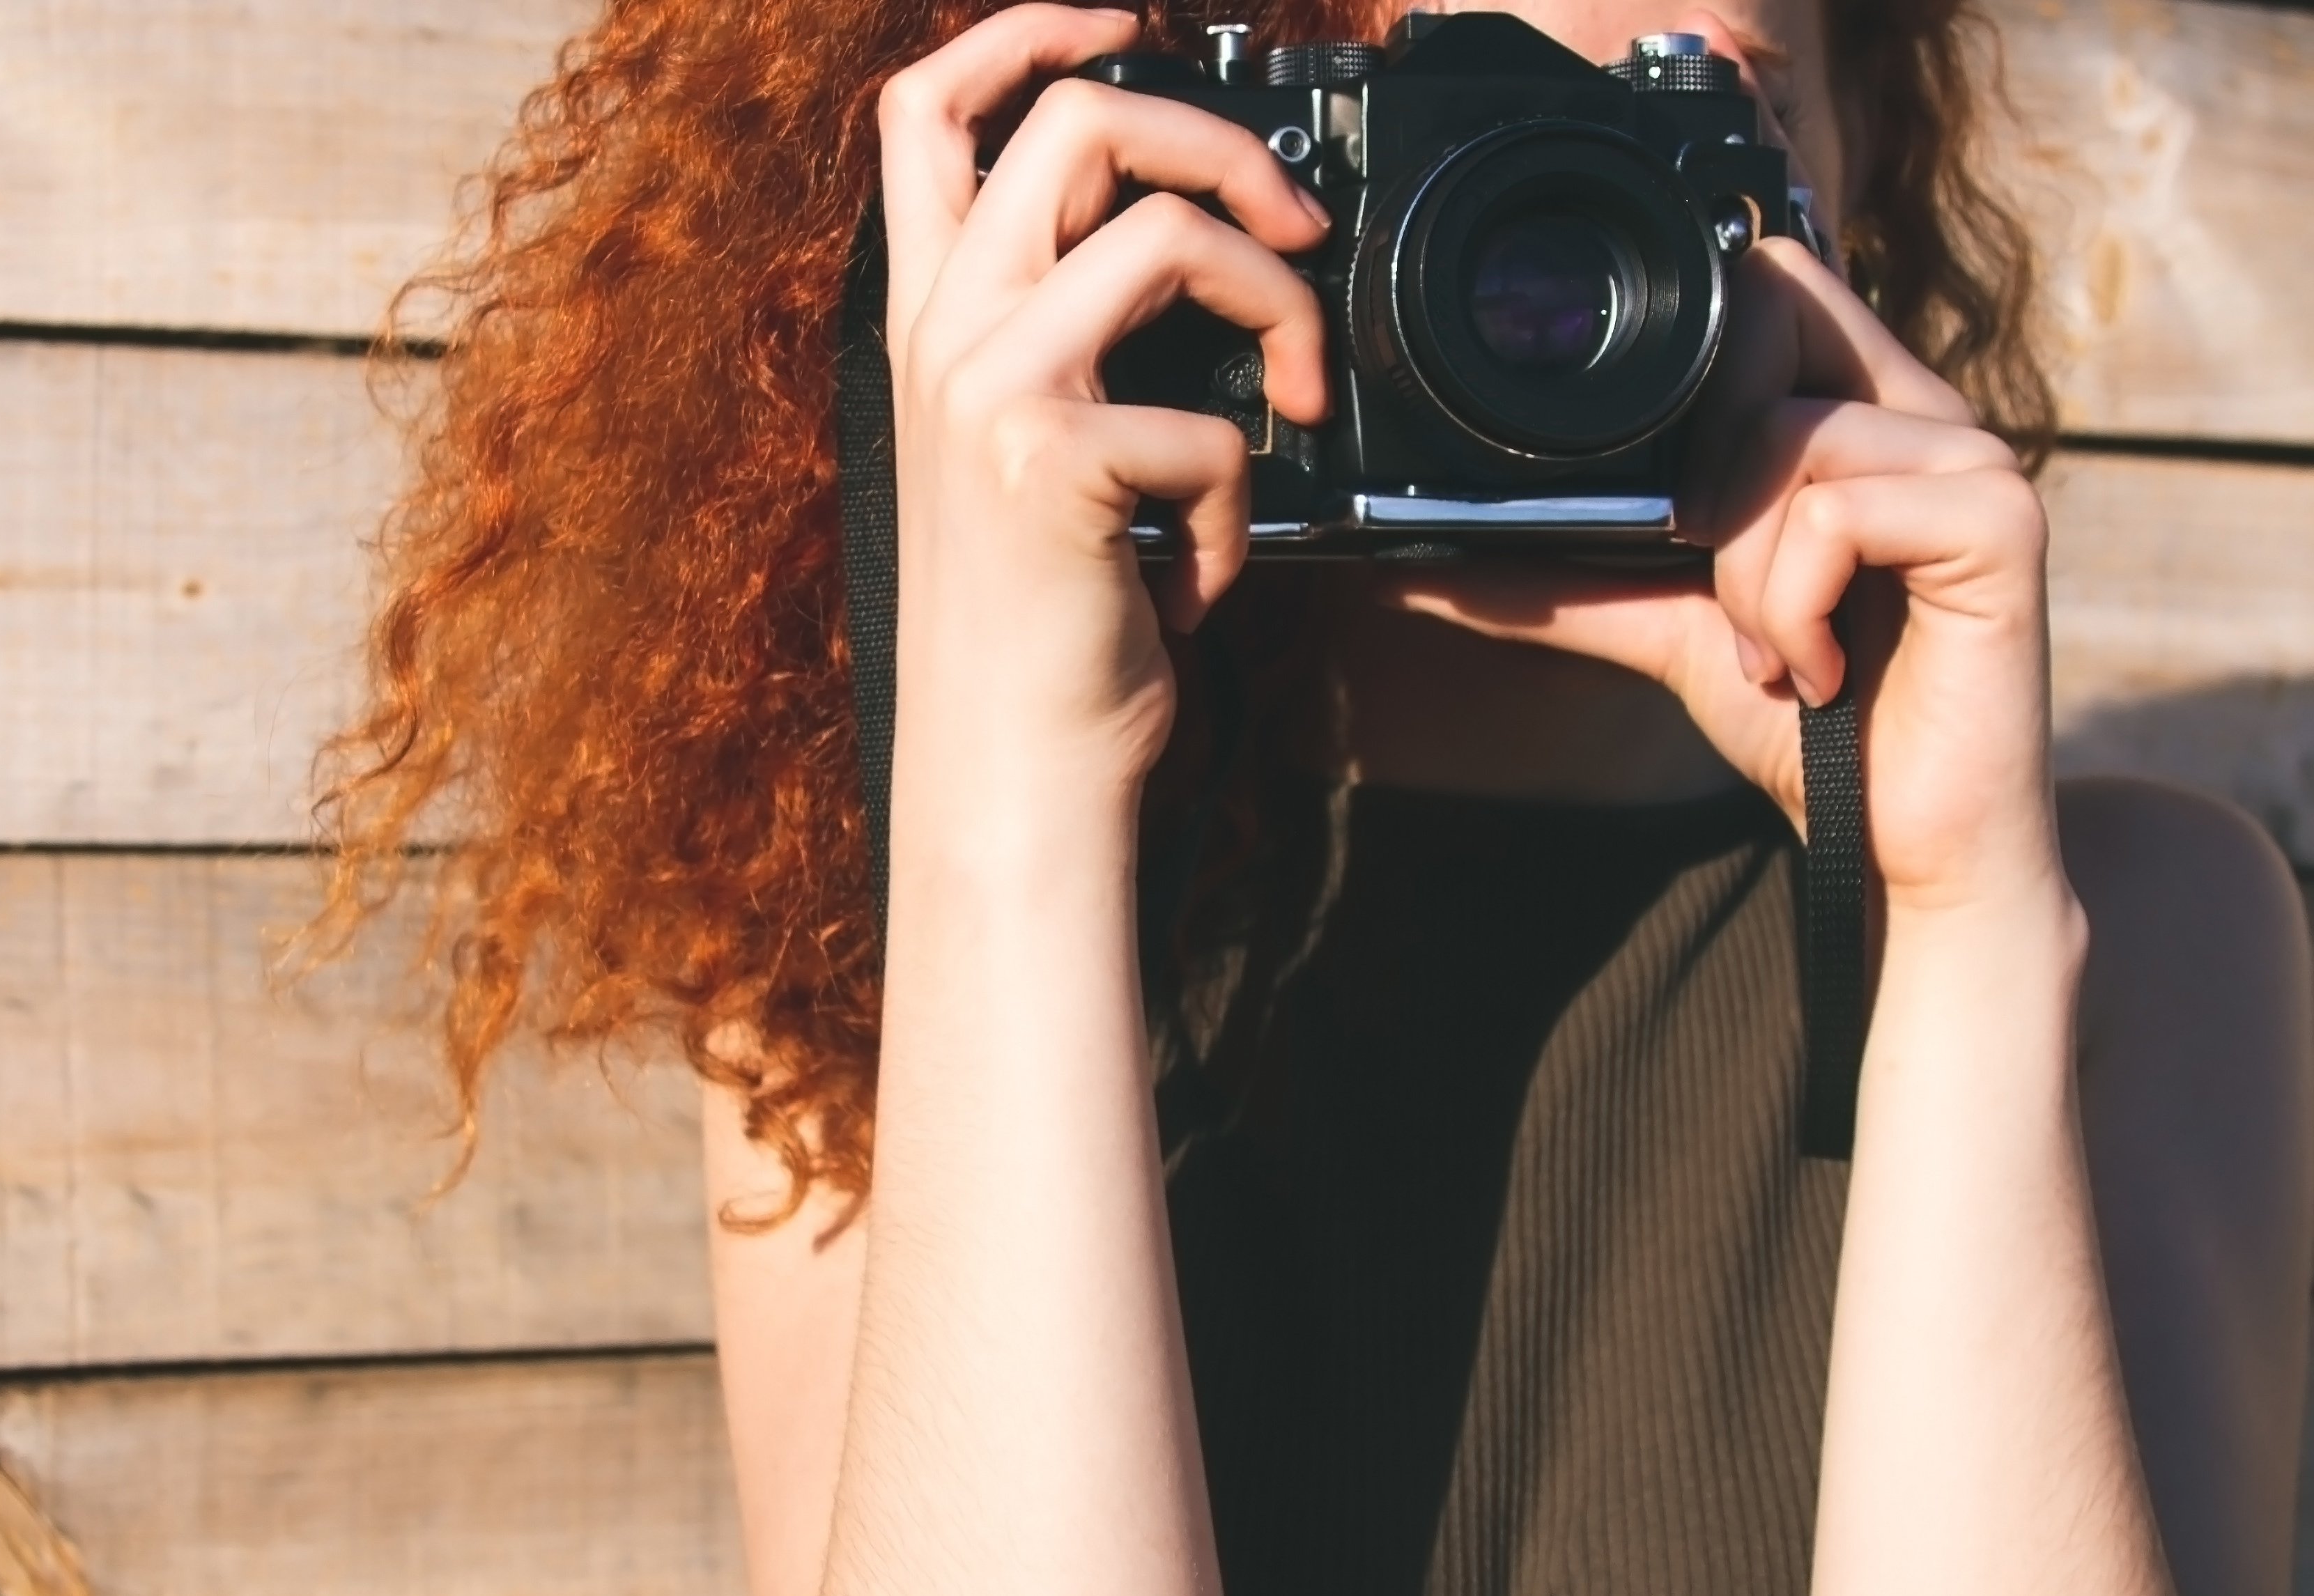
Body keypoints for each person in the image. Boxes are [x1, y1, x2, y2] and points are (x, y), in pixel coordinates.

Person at [314, 0, 2314, 1590]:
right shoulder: (857, 976)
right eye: (1417, 127)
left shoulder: (2135, 943)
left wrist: (1960, 938)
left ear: (1860, 174)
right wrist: (1002, 781)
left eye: (1692, 111)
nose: (1540, 242)